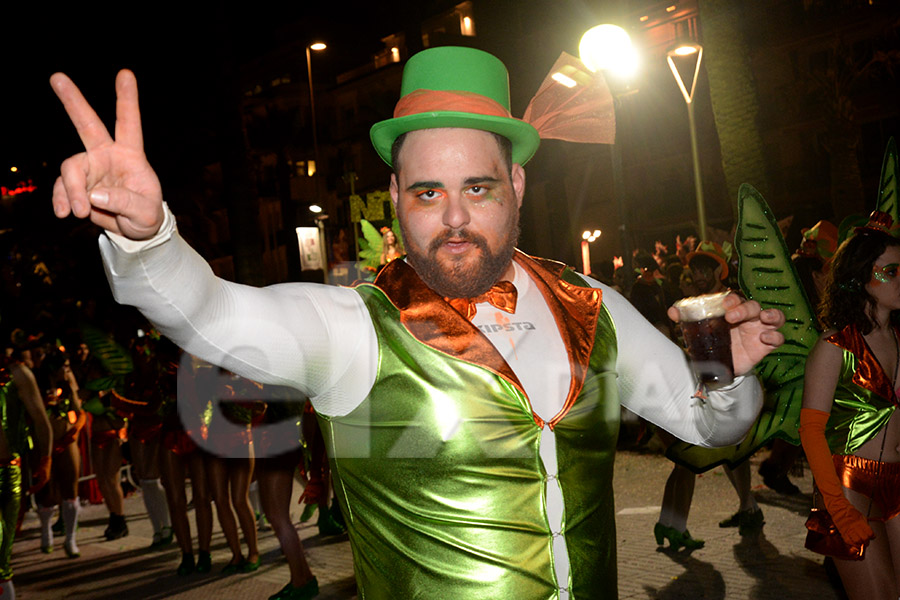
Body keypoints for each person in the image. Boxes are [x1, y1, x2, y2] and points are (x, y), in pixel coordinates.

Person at [49, 46, 785, 599]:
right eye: (429, 192)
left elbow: (705, 427)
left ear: (518, 184)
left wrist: (724, 372)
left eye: (479, 187)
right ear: (396, 195)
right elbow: (211, 312)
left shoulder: (597, 307)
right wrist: (148, 241)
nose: (456, 218)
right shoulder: (351, 330)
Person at [800, 212, 900, 600]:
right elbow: (810, 431)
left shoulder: (898, 338)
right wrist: (837, 507)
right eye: (890, 271)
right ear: (861, 276)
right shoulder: (834, 347)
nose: (899, 279)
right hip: (849, 486)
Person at [655, 242, 764, 550]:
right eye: (695, 270)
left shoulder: (732, 303)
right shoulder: (690, 305)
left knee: (722, 454)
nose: (699, 275)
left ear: (719, 270)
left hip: (730, 390)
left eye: (705, 269)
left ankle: (744, 508)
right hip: (695, 389)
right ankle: (745, 509)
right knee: (693, 456)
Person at [1, 350, 53, 599]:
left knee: (2, 559)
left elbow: (41, 420)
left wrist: (46, 460)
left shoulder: (17, 374)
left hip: (6, 471)